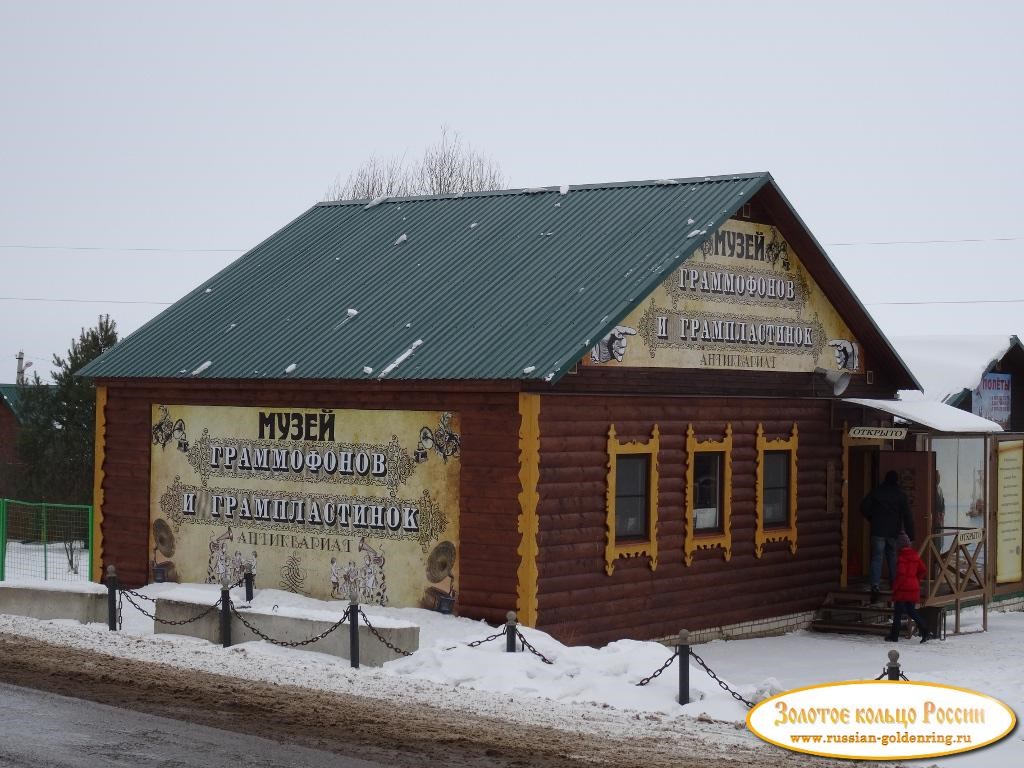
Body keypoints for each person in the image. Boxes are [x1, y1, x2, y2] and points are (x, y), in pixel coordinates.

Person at [861, 470, 914, 603]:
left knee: (877, 558)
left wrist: (872, 518)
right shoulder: (901, 495)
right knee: (892, 557)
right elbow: (908, 516)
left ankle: (875, 586)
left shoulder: (877, 491)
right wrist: (911, 534)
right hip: (892, 532)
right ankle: (894, 583)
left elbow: (863, 507)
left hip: (878, 530)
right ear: (896, 481)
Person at [886, 532, 929, 643]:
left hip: (903, 590)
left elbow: (901, 575)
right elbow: (923, 570)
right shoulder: (915, 555)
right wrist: (916, 580)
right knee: (911, 611)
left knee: (898, 613)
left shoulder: (901, 558)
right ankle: (925, 629)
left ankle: (894, 636)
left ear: (899, 546)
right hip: (913, 588)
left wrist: (895, 588)